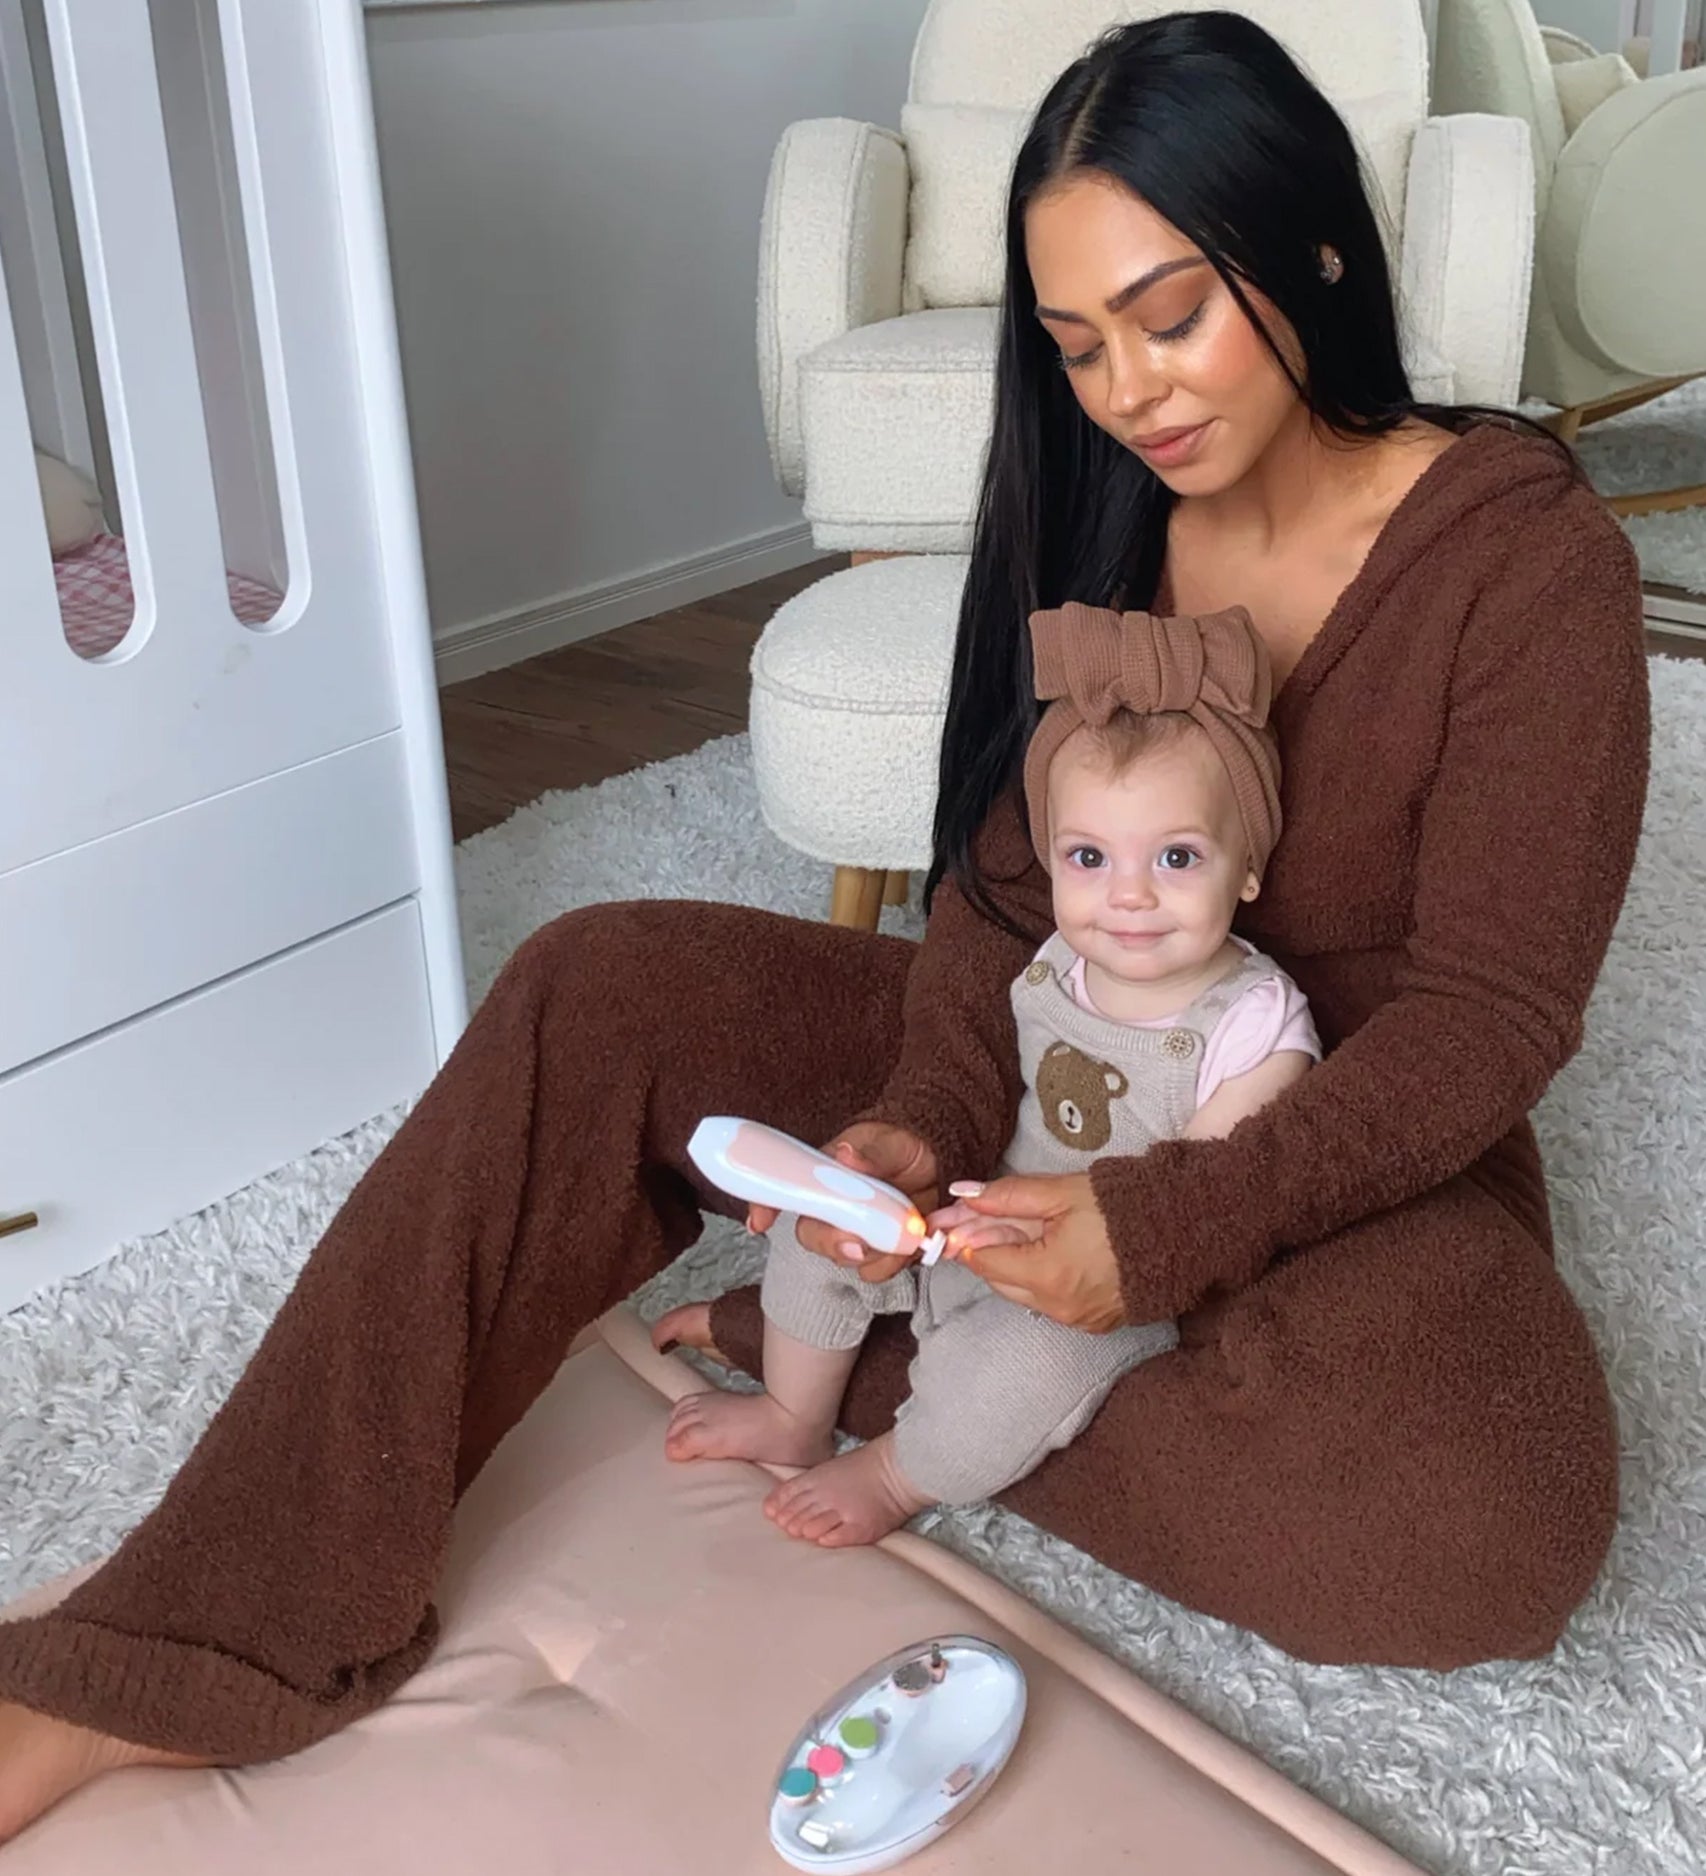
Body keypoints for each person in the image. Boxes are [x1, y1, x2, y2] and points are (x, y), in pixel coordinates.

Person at [0, 10, 1648, 1845]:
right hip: (1045, 1060)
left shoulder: (1520, 560)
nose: (1128, 392)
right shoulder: (1102, 510)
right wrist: (919, 1123)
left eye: (1170, 313)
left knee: (1487, 1532)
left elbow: (1493, 1014)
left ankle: (895, 1358)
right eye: (1078, 342)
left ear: (1317, 246)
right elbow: (997, 900)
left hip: (1321, 1124)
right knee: (596, 982)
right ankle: (169, 1651)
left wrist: (1164, 1227)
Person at [663, 603, 1319, 1546]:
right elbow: (981, 1075)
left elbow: (1206, 1193)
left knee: (1013, 1379)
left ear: (1248, 867)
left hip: (1100, 1283)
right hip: (968, 1218)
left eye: (1177, 857)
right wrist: (907, 1198)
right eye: (1089, 857)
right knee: (815, 1239)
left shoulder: (1254, 1023)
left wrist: (1069, 1242)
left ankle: (896, 1472)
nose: (1128, 895)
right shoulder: (1055, 956)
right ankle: (792, 1414)